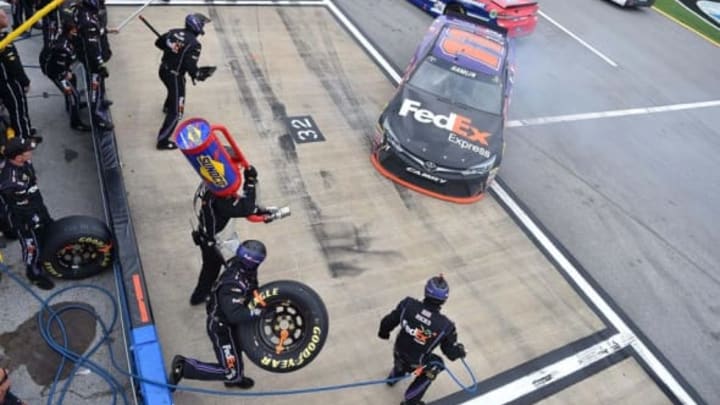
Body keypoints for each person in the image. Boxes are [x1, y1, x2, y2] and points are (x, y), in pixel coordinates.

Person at [168, 240, 266, 391]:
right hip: (221, 329)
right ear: (251, 262)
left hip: (229, 324)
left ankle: (235, 378)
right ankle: (184, 367)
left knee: (236, 352)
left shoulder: (246, 270)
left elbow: (253, 289)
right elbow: (235, 315)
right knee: (230, 370)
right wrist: (257, 313)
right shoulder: (232, 284)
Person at [378, 275, 467, 405]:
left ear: (426, 290)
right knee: (437, 364)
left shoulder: (407, 304)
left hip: (398, 351)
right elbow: (450, 353)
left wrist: (383, 333)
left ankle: (394, 376)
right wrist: (460, 351)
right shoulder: (446, 326)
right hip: (416, 363)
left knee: (403, 357)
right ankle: (411, 401)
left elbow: (387, 321)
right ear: (444, 299)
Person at [190, 165, 262, 305]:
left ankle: (199, 296)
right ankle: (252, 301)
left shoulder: (208, 185)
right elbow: (249, 207)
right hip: (220, 244)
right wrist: (251, 181)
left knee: (209, 269)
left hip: (205, 236)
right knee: (245, 268)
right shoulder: (222, 201)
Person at [0, 137, 55, 290]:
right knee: (31, 244)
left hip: (35, 202)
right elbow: (21, 210)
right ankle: (33, 271)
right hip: (22, 217)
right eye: (28, 151)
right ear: (18, 157)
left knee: (47, 227)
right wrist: (35, 222)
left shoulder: (24, 161)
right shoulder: (11, 183)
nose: (31, 152)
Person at [154, 13, 212, 150]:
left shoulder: (173, 32)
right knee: (177, 112)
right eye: (202, 24)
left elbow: (158, 42)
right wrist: (198, 75)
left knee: (176, 88)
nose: (203, 26)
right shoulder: (195, 44)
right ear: (196, 26)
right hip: (174, 75)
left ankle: (167, 106)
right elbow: (190, 67)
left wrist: (173, 50)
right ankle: (162, 141)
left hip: (163, 70)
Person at [40, 19, 91, 132]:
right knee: (74, 95)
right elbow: (59, 69)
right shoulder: (62, 48)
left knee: (74, 79)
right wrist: (65, 77)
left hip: (62, 67)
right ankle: (76, 123)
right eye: (74, 30)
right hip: (56, 73)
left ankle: (71, 106)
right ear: (70, 31)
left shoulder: (67, 39)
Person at [74, 0, 113, 130]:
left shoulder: (89, 13)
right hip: (92, 61)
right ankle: (97, 118)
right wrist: (100, 64)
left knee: (99, 82)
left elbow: (98, 32)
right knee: (94, 86)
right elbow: (92, 46)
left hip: (92, 56)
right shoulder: (88, 20)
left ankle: (101, 101)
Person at [0, 10, 35, 141]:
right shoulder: (4, 43)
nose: (6, 18)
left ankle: (25, 129)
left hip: (5, 81)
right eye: (3, 16)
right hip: (9, 82)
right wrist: (25, 82)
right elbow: (14, 65)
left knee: (18, 109)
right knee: (18, 109)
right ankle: (23, 138)